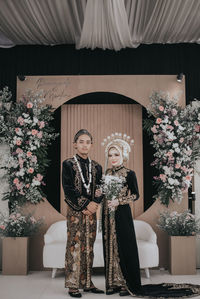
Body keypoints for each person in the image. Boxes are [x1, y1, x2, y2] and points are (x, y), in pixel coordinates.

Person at [101, 133, 200, 298]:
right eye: (110, 155)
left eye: (116, 154)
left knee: (124, 247)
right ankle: (113, 283)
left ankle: (127, 283)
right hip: (107, 215)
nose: (113, 158)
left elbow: (136, 195)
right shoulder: (107, 173)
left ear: (123, 155)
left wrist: (119, 201)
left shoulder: (129, 173)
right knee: (109, 247)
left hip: (122, 215)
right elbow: (104, 194)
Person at [62, 129, 104, 298]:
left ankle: (87, 282)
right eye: (81, 141)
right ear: (75, 144)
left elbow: (101, 189)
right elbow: (68, 190)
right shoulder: (68, 164)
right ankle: (73, 284)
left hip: (92, 213)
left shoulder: (97, 167)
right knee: (75, 245)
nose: (84, 145)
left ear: (91, 145)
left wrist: (95, 205)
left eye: (87, 142)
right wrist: (86, 205)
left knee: (89, 246)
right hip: (75, 211)